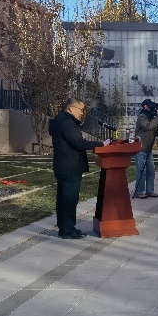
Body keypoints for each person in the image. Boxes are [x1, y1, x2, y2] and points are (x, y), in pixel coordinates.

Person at [50, 98, 109, 239]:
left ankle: (67, 227)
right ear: (71, 108)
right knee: (68, 199)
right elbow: (78, 143)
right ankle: (66, 229)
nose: (82, 113)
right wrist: (101, 144)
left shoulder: (64, 121)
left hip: (68, 166)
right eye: (81, 109)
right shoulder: (66, 123)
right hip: (69, 167)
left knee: (67, 199)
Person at [133, 100, 158, 199]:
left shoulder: (151, 118)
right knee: (142, 171)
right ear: (145, 106)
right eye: (150, 106)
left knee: (151, 171)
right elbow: (149, 126)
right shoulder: (142, 117)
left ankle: (150, 191)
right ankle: (139, 192)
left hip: (148, 148)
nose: (152, 108)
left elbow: (156, 130)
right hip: (140, 148)